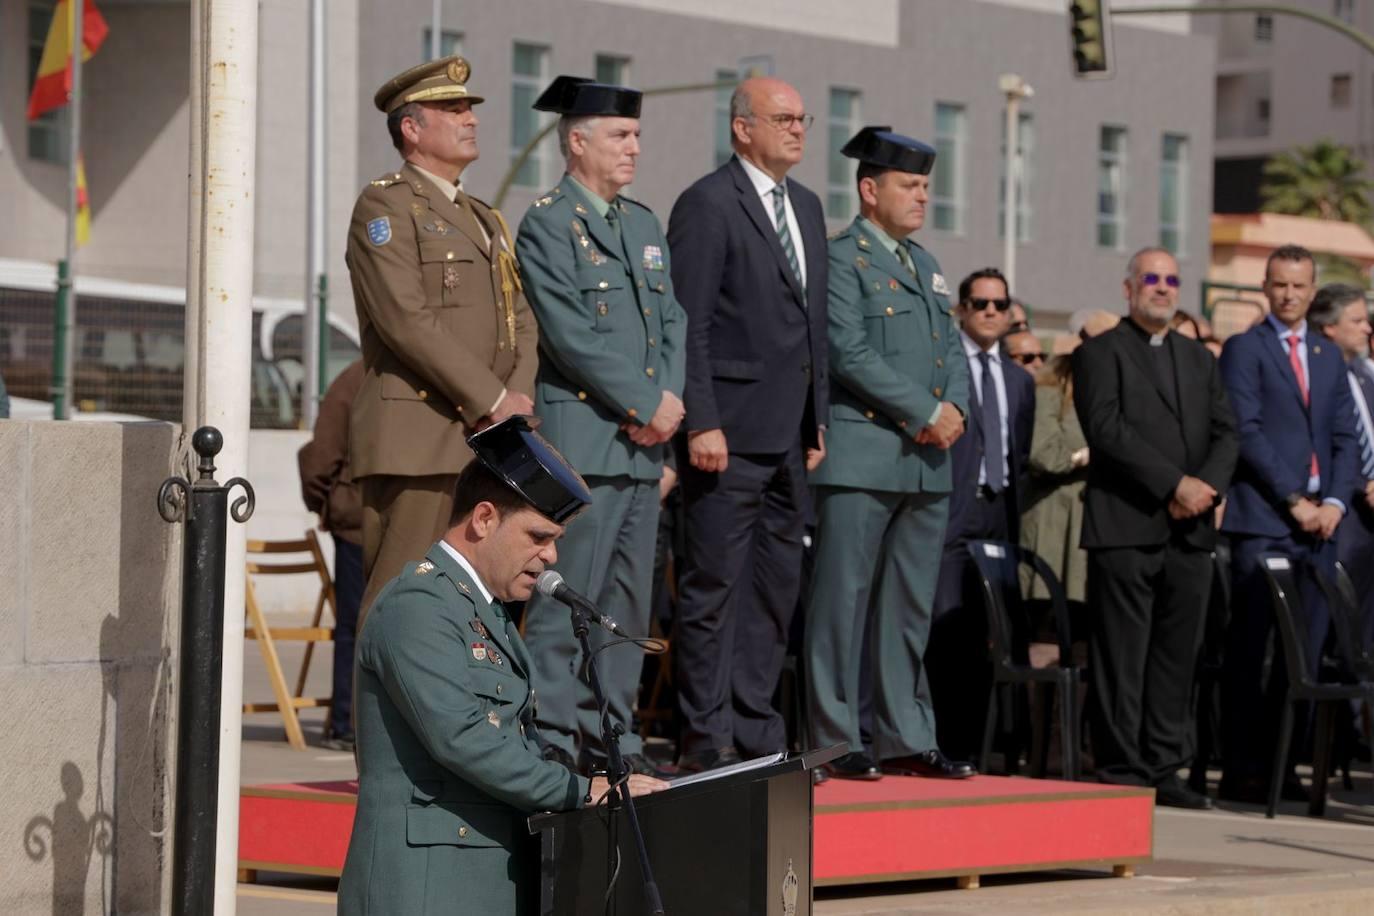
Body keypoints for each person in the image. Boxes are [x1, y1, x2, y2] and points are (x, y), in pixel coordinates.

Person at [338, 417, 667, 915]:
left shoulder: (483, 610)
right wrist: (580, 790)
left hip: (484, 875)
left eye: (555, 538)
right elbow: (464, 738)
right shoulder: (418, 605)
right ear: (484, 518)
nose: (550, 555)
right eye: (537, 535)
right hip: (428, 887)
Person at [514, 76, 686, 776]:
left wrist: (666, 405)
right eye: (620, 136)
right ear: (577, 141)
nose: (633, 148)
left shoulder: (642, 223)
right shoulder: (549, 222)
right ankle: (554, 730)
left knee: (626, 606)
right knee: (567, 597)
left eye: (637, 136)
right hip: (586, 440)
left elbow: (670, 321)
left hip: (643, 452)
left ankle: (616, 736)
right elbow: (569, 334)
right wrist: (647, 405)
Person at [665, 76, 830, 772]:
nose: (797, 129)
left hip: (789, 439)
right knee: (712, 591)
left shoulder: (809, 208)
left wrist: (816, 420)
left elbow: (812, 325)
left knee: (773, 591)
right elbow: (689, 324)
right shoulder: (708, 205)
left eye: (802, 118)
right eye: (782, 117)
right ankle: (707, 740)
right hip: (724, 439)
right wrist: (701, 420)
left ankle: (757, 734)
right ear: (742, 127)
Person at [346, 56, 539, 623]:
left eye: (470, 108)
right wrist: (492, 399)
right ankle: (378, 719)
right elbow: (405, 317)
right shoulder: (385, 204)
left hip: (489, 440)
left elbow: (520, 318)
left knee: (469, 614)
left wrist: (516, 401)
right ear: (411, 127)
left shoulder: (485, 217)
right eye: (452, 109)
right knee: (401, 605)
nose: (469, 118)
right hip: (421, 441)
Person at [805, 127, 970, 782]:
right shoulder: (842, 258)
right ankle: (835, 735)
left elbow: (949, 349)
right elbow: (846, 349)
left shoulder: (925, 263)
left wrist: (954, 408)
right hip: (865, 453)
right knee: (841, 601)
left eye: (927, 185)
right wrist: (925, 411)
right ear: (870, 190)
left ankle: (906, 732)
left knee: (908, 608)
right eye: (909, 184)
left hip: (928, 462)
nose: (922, 196)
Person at [1073, 248, 1238, 809]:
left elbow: (1226, 431)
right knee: (1122, 656)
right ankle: (1122, 767)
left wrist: (1205, 488)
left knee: (1175, 655)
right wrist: (1175, 486)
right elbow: (1106, 428)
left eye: (1171, 280)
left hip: (1189, 533)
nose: (1162, 288)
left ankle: (1165, 766)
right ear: (1129, 288)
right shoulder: (1100, 352)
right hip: (1127, 525)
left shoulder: (1198, 358)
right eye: (1151, 279)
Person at [1218, 245, 1360, 804]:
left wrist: (1335, 504)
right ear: (1266, 286)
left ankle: (1285, 764)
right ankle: (1243, 767)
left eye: (1300, 286)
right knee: (1254, 650)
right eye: (1280, 285)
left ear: (1312, 287)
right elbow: (1247, 431)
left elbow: (1346, 438)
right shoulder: (1244, 349)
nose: (1290, 295)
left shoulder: (1328, 355)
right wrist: (1295, 499)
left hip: (1320, 528)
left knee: (1304, 651)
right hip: (1265, 521)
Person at [926, 267, 1035, 762]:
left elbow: (1021, 450)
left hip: (1000, 514)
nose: (991, 311)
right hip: (954, 510)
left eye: (999, 304)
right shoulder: (946, 367)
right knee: (946, 631)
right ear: (962, 310)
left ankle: (983, 745)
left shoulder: (1018, 379)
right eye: (980, 303)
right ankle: (941, 742)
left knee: (992, 634)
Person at [297, 359, 365, 751]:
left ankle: (347, 723)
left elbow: (320, 457)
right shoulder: (356, 380)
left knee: (354, 626)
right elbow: (321, 457)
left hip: (354, 519)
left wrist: (326, 503)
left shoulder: (351, 379)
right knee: (357, 626)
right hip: (359, 522)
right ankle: (347, 723)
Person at [1309, 284, 1374, 646]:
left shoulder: (1365, 375)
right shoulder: (1321, 376)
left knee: (1364, 627)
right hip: (1342, 514)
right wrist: (1365, 482)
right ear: (1330, 326)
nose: (1367, 328)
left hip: (1368, 524)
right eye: (1358, 320)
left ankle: (1358, 698)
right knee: (1335, 620)